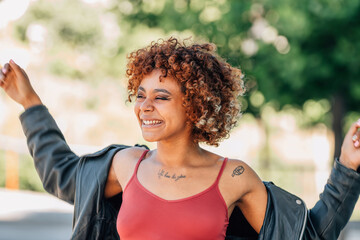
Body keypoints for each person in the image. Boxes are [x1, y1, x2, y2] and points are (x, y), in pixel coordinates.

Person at [0, 37, 359, 240]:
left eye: (161, 97)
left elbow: (309, 236)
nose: (145, 107)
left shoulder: (234, 178)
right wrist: (30, 103)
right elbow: (61, 173)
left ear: (194, 106)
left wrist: (348, 167)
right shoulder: (125, 165)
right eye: (140, 95)